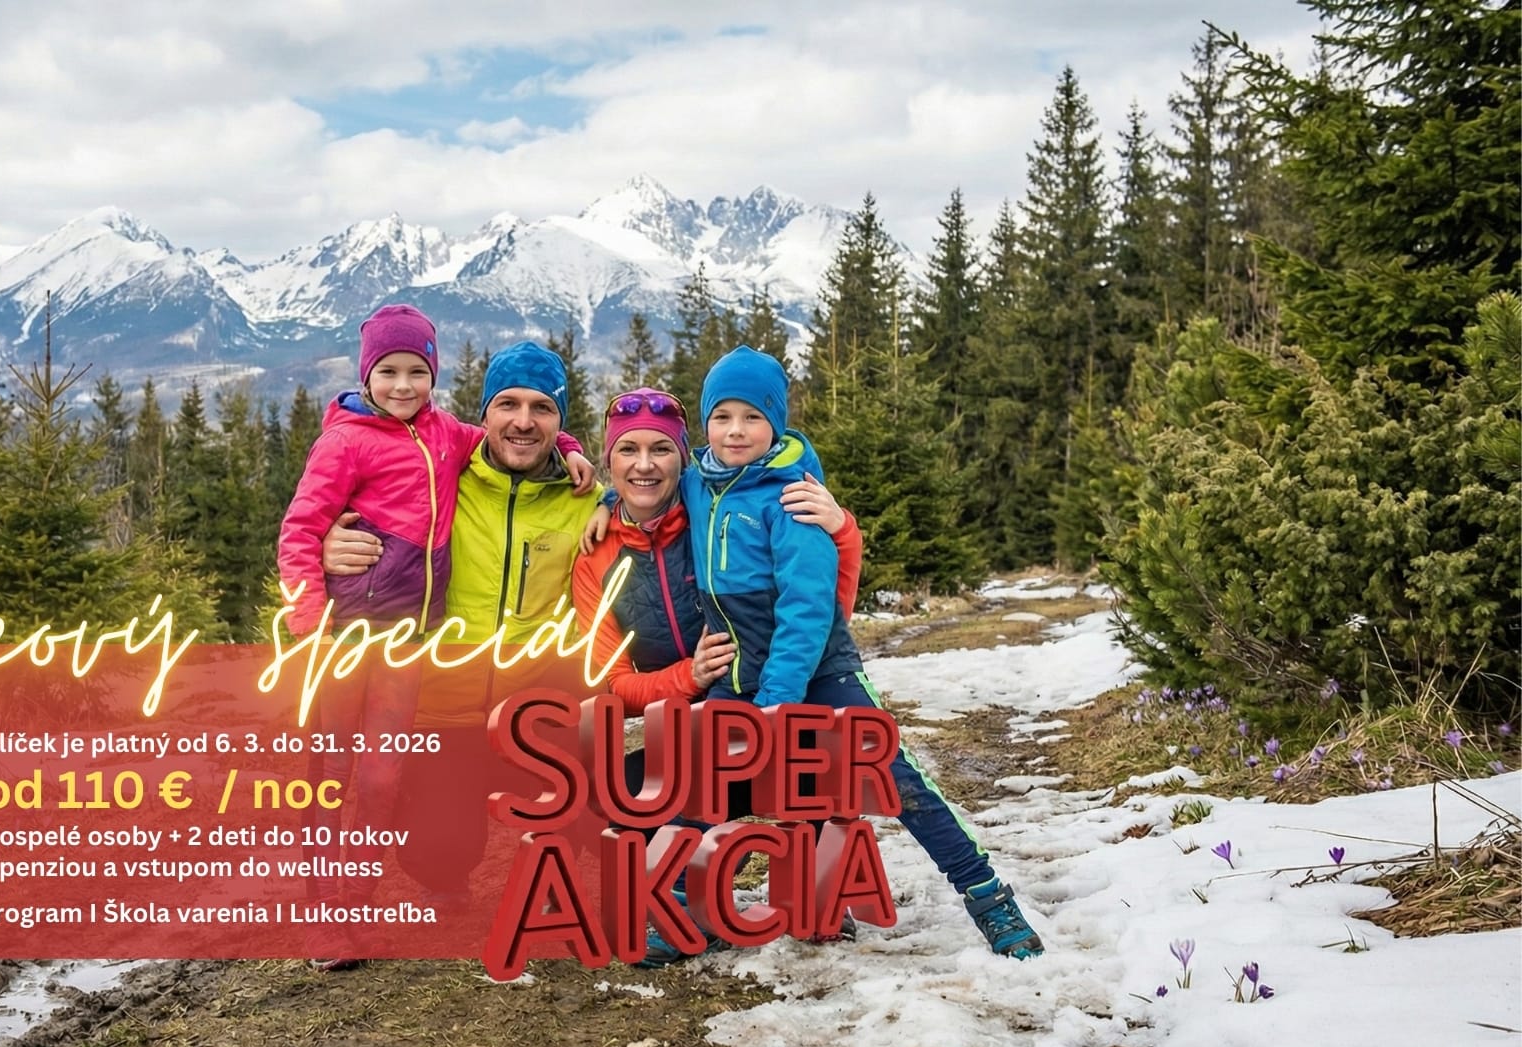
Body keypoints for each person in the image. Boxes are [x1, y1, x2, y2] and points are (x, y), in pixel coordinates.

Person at [659, 346, 1046, 961]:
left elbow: (808, 610)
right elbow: (640, 500)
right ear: (704, 421)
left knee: (899, 783)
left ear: (776, 422)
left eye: (752, 417)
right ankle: (676, 910)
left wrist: (779, 700)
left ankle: (988, 897)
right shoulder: (697, 483)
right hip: (743, 670)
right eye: (722, 415)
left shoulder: (795, 497)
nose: (736, 430)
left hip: (820, 671)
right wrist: (602, 503)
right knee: (700, 780)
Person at [277, 306, 594, 970]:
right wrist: (310, 617)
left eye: (416, 371)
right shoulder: (358, 444)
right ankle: (323, 919)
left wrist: (568, 449)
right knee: (335, 776)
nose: (401, 385)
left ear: (434, 376)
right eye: (387, 371)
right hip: (350, 643)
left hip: (433, 659)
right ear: (365, 375)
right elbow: (300, 530)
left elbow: (511, 433)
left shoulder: (448, 438)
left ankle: (357, 907)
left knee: (380, 777)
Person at [573, 385, 864, 965]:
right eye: (627, 451)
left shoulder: (713, 516)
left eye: (662, 449)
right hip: (682, 725)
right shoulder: (597, 555)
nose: (645, 465)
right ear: (609, 460)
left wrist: (844, 529)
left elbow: (820, 604)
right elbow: (611, 682)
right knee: (619, 800)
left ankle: (817, 884)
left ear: (685, 459)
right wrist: (687, 677)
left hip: (762, 699)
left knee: (811, 750)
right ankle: (689, 901)